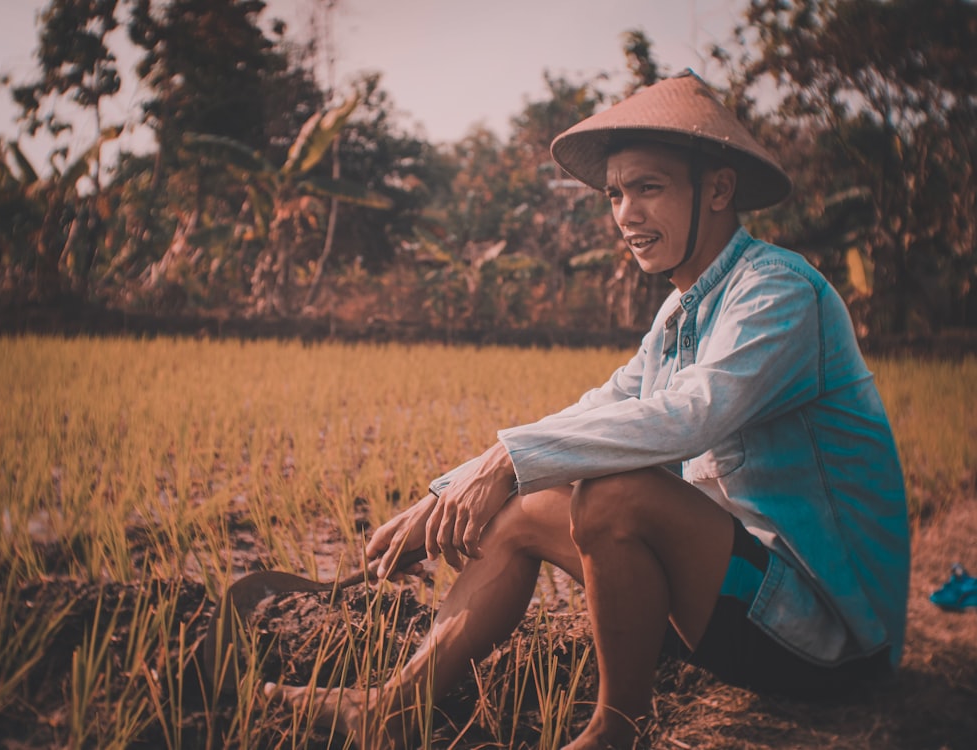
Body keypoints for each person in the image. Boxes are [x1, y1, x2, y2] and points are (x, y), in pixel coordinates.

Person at [268, 70, 910, 750]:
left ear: (718, 189)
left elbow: (694, 413)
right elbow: (605, 406)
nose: (626, 215)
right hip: (736, 602)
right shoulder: (678, 314)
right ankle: (393, 708)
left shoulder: (777, 293)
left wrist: (509, 462)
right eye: (615, 195)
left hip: (825, 640)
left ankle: (614, 732)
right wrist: (453, 490)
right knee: (522, 513)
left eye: (649, 188)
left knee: (614, 493)